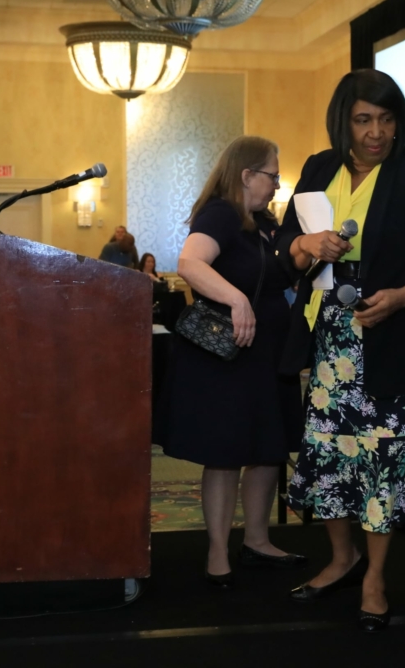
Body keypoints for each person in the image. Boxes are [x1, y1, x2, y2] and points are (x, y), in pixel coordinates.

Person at [278, 70, 405, 631]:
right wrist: (304, 243)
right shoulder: (318, 168)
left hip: (396, 335)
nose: (376, 133)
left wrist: (402, 297)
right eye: (364, 120)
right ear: (343, 121)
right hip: (331, 343)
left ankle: (375, 578)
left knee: (383, 465)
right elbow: (285, 244)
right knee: (331, 457)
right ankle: (343, 559)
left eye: (387, 120)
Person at [154, 136, 306, 589]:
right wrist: (238, 300)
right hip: (228, 354)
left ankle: (257, 541)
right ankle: (218, 551)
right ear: (246, 175)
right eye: (272, 175)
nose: (276, 185)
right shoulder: (220, 213)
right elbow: (190, 263)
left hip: (267, 352)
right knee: (224, 455)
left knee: (267, 448)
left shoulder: (265, 223)